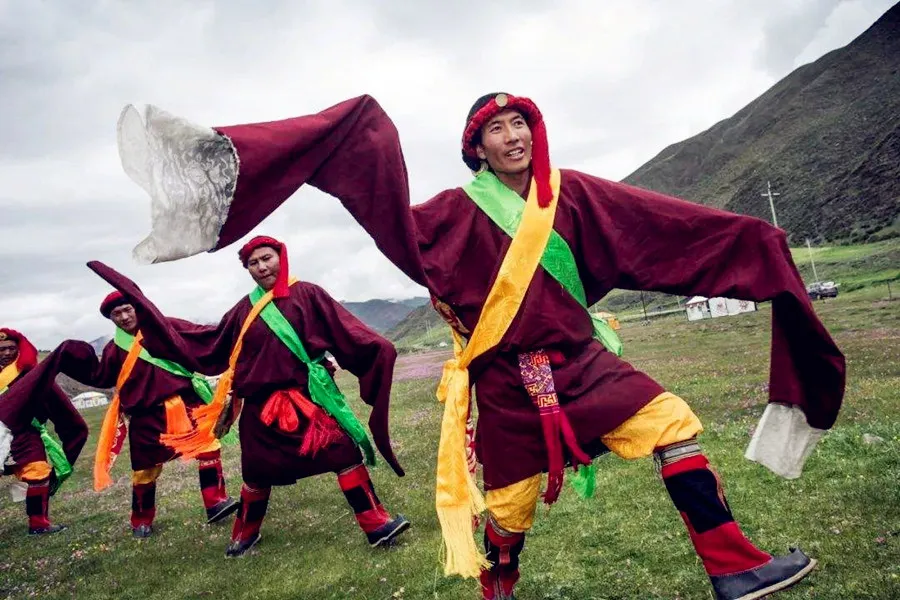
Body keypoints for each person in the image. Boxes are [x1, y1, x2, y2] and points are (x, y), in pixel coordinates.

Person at [105, 94, 845, 598]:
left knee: (674, 425)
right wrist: (352, 136)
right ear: (476, 147)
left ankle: (733, 569)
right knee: (510, 516)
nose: (514, 136)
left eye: (522, 122)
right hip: (505, 387)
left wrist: (753, 243)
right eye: (497, 129)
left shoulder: (575, 195)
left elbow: (666, 228)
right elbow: (384, 208)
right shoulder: (447, 216)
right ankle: (500, 587)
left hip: (585, 364)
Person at [88, 235, 410, 558]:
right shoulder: (244, 309)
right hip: (258, 412)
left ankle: (376, 524)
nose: (261, 266)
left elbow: (344, 330)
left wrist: (378, 349)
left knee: (344, 454)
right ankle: (244, 535)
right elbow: (212, 342)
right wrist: (158, 325)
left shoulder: (308, 294)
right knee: (256, 475)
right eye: (253, 263)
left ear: (281, 257)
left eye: (266, 258)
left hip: (305, 403)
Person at [4, 296, 239, 538]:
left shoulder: (167, 327)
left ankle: (216, 502)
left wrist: (234, 328)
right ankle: (141, 520)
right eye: (117, 314)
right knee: (144, 471)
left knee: (208, 448)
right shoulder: (113, 349)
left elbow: (202, 337)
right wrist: (74, 355)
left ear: (138, 308)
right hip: (144, 416)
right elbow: (100, 376)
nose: (124, 317)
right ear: (111, 319)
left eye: (128, 310)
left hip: (184, 403)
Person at [0, 328, 88, 535]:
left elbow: (56, 402)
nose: (5, 353)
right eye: (1, 350)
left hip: (25, 433)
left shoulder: (32, 374)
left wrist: (73, 428)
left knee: (39, 474)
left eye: (11, 348)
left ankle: (38, 523)